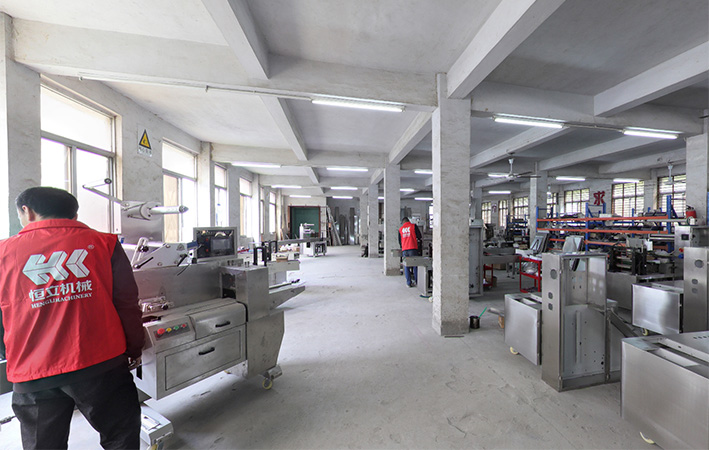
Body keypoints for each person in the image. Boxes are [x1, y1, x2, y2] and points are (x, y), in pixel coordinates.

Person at [0, 187, 144, 450]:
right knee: (121, 436)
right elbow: (126, 303)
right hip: (101, 365)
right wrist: (134, 346)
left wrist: (10, 354)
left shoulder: (3, 252)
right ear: (74, 214)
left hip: (33, 371)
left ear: (27, 211)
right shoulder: (105, 244)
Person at [398, 217, 422, 288]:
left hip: (405, 249)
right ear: (408, 221)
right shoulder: (413, 226)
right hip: (413, 248)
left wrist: (403, 247)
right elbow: (419, 236)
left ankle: (408, 283)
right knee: (415, 265)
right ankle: (417, 281)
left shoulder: (400, 229)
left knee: (406, 266)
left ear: (403, 222)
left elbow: (399, 241)